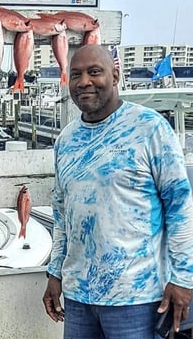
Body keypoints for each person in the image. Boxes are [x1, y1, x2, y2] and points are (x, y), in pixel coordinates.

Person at [42, 45, 193, 338]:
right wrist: (55, 271)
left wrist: (184, 277)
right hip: (78, 298)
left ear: (115, 75)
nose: (84, 81)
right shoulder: (66, 140)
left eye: (94, 72)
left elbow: (180, 207)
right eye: (76, 75)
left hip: (138, 299)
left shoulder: (150, 128)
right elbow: (62, 214)